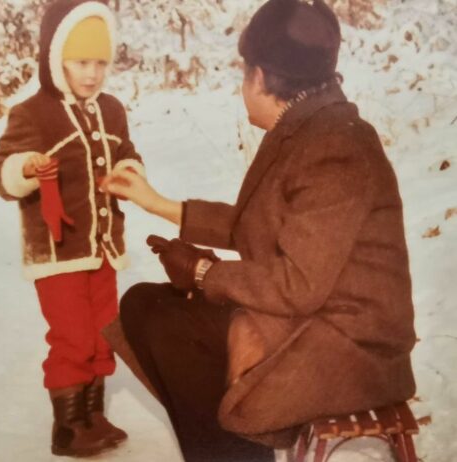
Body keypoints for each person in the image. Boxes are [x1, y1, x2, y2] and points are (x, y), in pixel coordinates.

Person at [101, 0, 417, 461]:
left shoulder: (335, 146)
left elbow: (298, 285)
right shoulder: (311, 128)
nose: (242, 85)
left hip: (348, 346)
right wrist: (161, 205)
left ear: (262, 76)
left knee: (171, 326)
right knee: (147, 305)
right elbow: (265, 223)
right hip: (316, 319)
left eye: (243, 73)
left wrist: (206, 273)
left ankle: (231, 454)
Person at [0, 0, 145, 457]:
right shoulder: (33, 113)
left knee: (103, 332)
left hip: (105, 248)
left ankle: (93, 414)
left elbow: (126, 150)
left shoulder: (111, 109)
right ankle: (68, 427)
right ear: (55, 59)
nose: (91, 73)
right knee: (72, 335)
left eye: (99, 63)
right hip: (58, 253)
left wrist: (130, 170)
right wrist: (24, 169)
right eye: (80, 62)